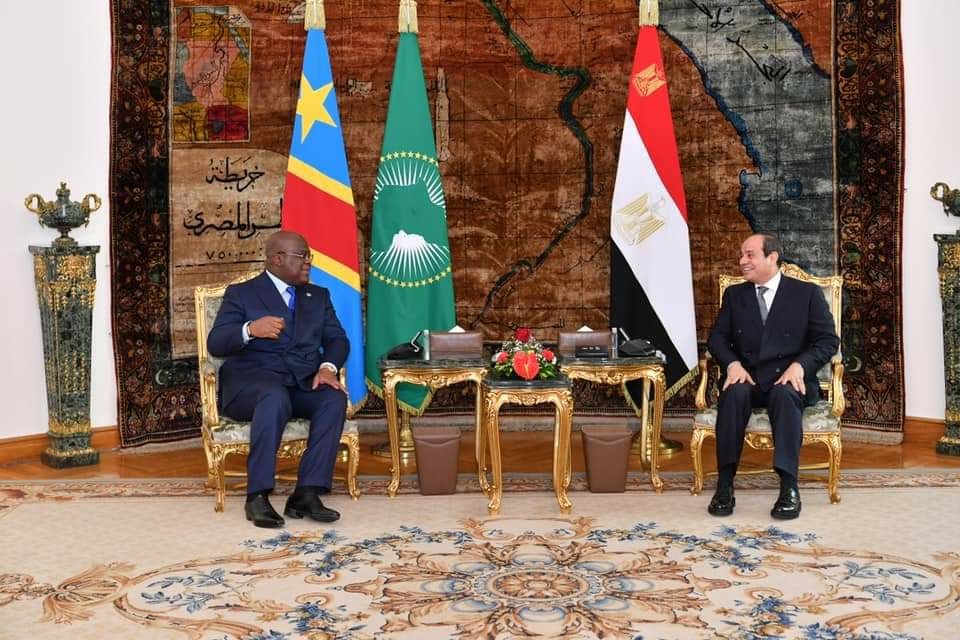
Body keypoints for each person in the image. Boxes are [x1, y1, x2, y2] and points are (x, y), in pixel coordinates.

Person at [207, 231, 349, 528]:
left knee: (332, 397)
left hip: (300, 383)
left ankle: (306, 492)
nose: (308, 262)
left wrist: (327, 368)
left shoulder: (317, 296)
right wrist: (249, 329)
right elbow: (216, 343)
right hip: (251, 385)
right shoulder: (242, 293)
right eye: (302, 256)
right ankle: (257, 496)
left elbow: (337, 340)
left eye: (309, 256)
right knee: (273, 396)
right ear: (277, 258)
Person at [706, 233, 839, 519]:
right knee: (733, 393)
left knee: (785, 395)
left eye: (750, 255)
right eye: (742, 255)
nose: (742, 261)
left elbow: (828, 341)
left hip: (788, 378)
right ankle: (725, 484)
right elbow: (717, 339)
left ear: (772, 257)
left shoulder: (806, 293)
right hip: (749, 377)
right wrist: (732, 364)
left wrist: (800, 365)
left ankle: (789, 487)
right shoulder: (735, 295)